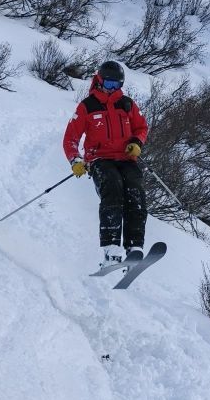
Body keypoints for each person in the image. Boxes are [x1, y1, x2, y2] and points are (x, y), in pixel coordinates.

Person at [62, 59, 150, 263]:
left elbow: (141, 127)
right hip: (100, 159)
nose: (113, 89)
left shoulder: (127, 104)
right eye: (109, 84)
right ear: (100, 81)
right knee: (113, 188)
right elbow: (70, 138)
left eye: (117, 85)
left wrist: (137, 142)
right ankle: (111, 246)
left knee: (136, 192)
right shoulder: (87, 106)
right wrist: (76, 160)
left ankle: (134, 246)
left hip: (126, 158)